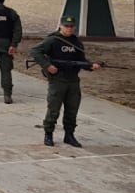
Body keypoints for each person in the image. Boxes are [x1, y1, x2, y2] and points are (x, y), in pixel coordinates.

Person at [30, 15, 101, 147]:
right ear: (61, 26)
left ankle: (69, 135)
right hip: (58, 80)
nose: (69, 29)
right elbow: (35, 51)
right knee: (53, 109)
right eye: (66, 26)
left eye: (71, 26)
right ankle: (48, 133)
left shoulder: (77, 43)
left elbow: (81, 60)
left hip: (73, 80)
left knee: (72, 110)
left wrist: (90, 66)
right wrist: (47, 66)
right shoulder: (53, 40)